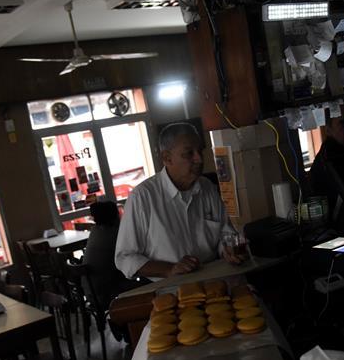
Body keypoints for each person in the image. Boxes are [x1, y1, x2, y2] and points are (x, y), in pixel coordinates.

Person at [115, 122, 241, 279]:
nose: (199, 159)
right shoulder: (142, 197)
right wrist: (170, 269)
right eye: (189, 153)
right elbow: (125, 257)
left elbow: (226, 233)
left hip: (216, 280)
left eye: (200, 151)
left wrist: (228, 249)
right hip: (173, 287)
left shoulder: (207, 187)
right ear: (167, 158)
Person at [82, 200, 140, 305]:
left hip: (92, 293)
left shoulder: (96, 231)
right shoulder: (113, 235)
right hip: (107, 294)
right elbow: (136, 251)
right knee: (148, 281)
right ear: (114, 217)